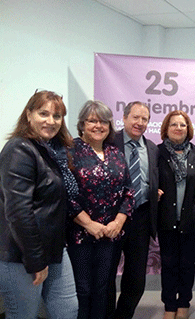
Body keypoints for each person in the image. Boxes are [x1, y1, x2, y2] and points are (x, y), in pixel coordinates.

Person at [0, 90, 78, 318]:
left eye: (57, 116)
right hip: (21, 254)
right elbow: (18, 212)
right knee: (24, 314)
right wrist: (35, 259)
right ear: (29, 114)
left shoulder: (53, 151)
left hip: (54, 248)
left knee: (67, 311)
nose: (51, 121)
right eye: (44, 114)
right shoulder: (19, 149)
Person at [67, 100, 134, 319]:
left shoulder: (116, 153)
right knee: (83, 289)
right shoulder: (71, 152)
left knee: (102, 289)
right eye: (92, 120)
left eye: (103, 121)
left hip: (110, 235)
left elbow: (128, 191)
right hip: (80, 235)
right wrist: (89, 224)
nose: (98, 125)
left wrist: (118, 222)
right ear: (82, 124)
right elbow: (66, 196)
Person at [108, 101, 159, 319]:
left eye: (144, 119)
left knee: (136, 279)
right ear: (125, 118)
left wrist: (155, 191)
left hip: (140, 218)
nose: (140, 123)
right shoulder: (109, 142)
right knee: (106, 275)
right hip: (111, 218)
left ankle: (123, 316)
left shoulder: (153, 148)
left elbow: (153, 179)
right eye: (135, 117)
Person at [157, 110, 195, 319]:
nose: (178, 128)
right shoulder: (157, 153)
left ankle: (184, 304)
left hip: (191, 219)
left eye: (182, 125)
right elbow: (149, 181)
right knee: (168, 264)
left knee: (187, 265)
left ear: (188, 129)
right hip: (166, 219)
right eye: (174, 125)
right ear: (166, 129)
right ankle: (169, 306)